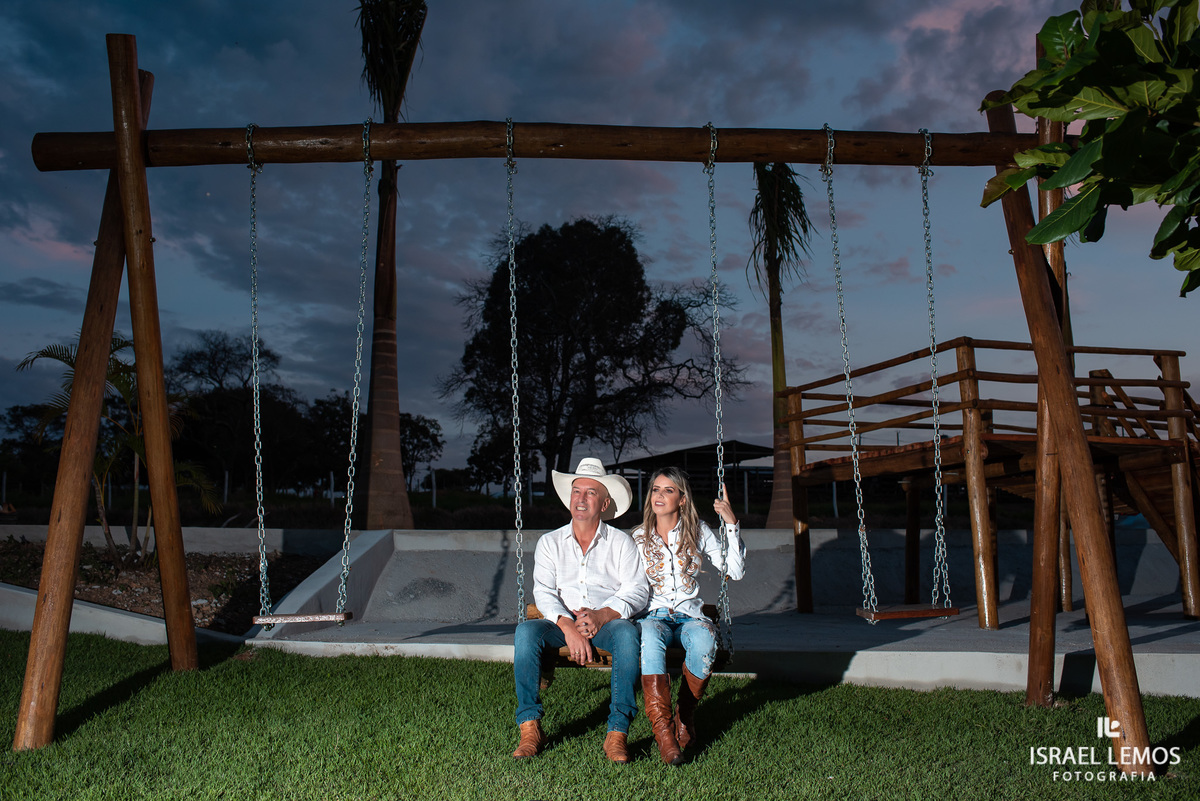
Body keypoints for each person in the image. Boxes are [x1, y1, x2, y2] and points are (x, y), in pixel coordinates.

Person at [511, 457, 649, 763]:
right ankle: (530, 728)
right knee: (526, 632)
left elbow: (638, 590)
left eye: (590, 492)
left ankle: (617, 732)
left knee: (627, 635)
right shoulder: (550, 542)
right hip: (561, 623)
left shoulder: (621, 543)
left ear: (604, 504)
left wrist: (601, 615)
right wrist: (567, 626)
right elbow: (544, 591)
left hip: (606, 623)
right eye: (576, 491)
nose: (581, 498)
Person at [632, 467, 745, 765]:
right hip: (652, 615)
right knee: (650, 636)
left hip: (689, 615)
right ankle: (663, 733)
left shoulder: (698, 531)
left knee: (705, 639)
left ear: (682, 499)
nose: (659, 495)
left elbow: (734, 571)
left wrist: (730, 523)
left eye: (668, 490)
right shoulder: (639, 537)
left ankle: (685, 715)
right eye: (656, 489)